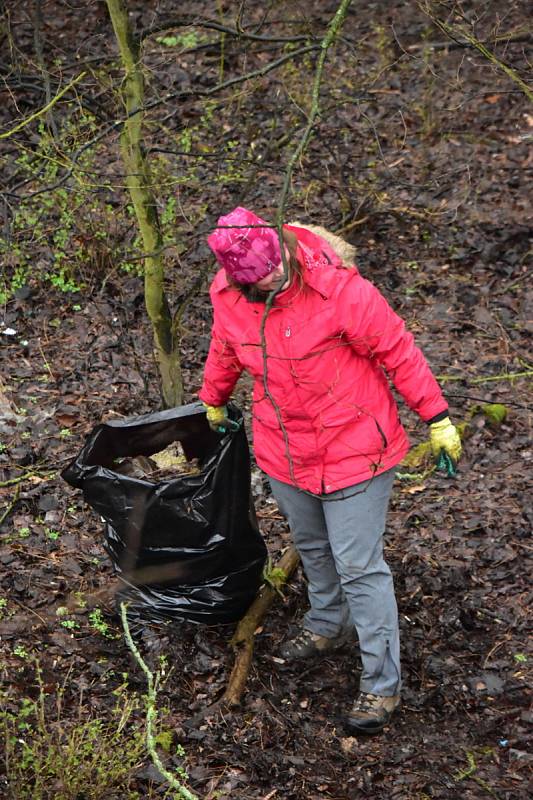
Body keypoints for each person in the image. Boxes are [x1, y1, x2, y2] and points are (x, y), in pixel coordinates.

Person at [198, 207, 462, 734]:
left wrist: (436, 418)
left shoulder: (339, 290)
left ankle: (381, 686)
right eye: (255, 279)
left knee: (360, 567)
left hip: (355, 445)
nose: (268, 281)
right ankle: (326, 624)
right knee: (312, 545)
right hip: (285, 447)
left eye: (273, 271)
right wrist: (213, 399)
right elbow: (226, 348)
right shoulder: (228, 295)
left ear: (281, 251)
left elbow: (398, 351)